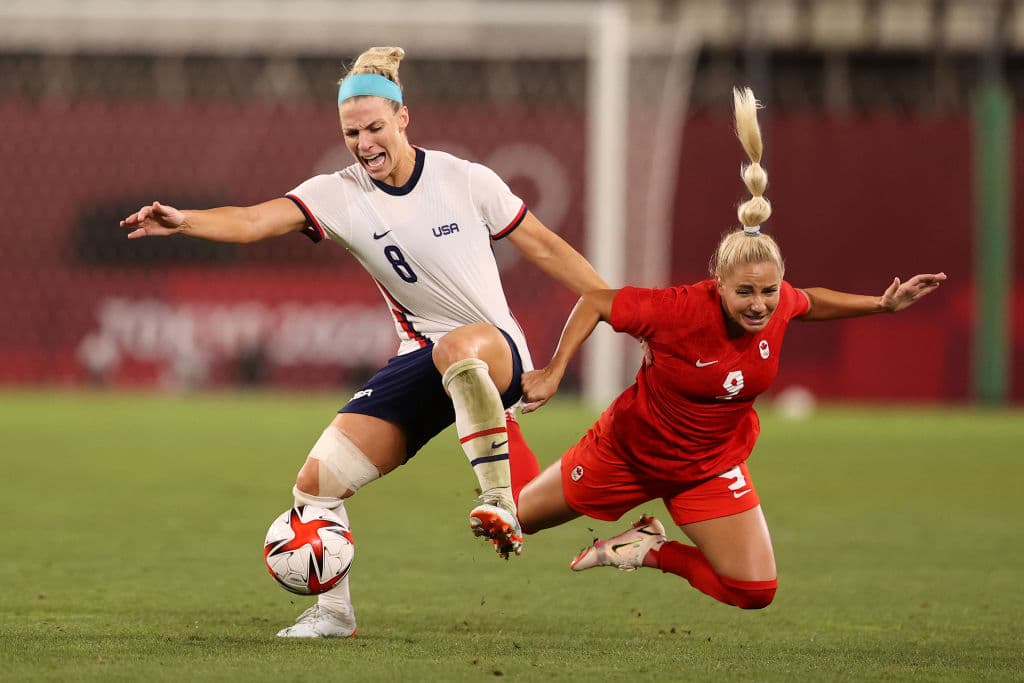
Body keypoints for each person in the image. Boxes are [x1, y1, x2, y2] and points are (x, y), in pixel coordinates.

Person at [120, 46, 605, 637]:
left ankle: (497, 499)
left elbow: (549, 250)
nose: (364, 143)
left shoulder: (466, 179)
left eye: (375, 128)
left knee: (457, 348)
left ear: (403, 118)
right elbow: (252, 221)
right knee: (314, 487)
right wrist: (185, 221)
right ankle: (333, 614)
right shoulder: (339, 193)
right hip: (420, 358)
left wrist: (611, 315)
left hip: (492, 350)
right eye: (351, 133)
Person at [514, 86, 946, 611]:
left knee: (754, 592)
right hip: (628, 454)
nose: (760, 305)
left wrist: (881, 304)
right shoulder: (676, 310)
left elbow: (810, 301)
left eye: (768, 291)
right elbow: (597, 302)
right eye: (745, 292)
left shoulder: (778, 303)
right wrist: (555, 370)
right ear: (718, 284)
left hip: (709, 466)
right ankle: (498, 423)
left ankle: (647, 549)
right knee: (518, 519)